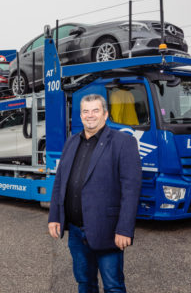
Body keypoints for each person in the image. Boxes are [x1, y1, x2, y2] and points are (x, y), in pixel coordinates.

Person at [48, 93, 141, 293]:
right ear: (80, 116)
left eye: (95, 111)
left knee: (113, 286)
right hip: (75, 231)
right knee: (85, 283)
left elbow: (131, 189)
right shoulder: (71, 142)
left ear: (105, 114)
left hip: (107, 230)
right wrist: (54, 217)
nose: (90, 115)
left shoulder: (123, 142)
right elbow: (60, 182)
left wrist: (125, 229)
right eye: (85, 111)